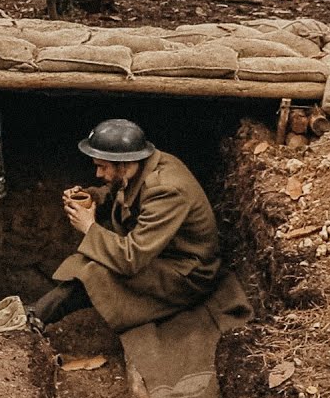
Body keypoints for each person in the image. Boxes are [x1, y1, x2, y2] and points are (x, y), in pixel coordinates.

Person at [28, 119, 222, 333]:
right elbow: (118, 191)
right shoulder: (143, 165)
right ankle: (39, 313)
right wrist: (90, 197)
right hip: (161, 254)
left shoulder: (166, 189)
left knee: (96, 271)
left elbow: (131, 258)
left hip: (186, 276)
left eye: (103, 167)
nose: (98, 174)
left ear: (125, 164)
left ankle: (36, 317)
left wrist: (89, 227)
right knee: (97, 257)